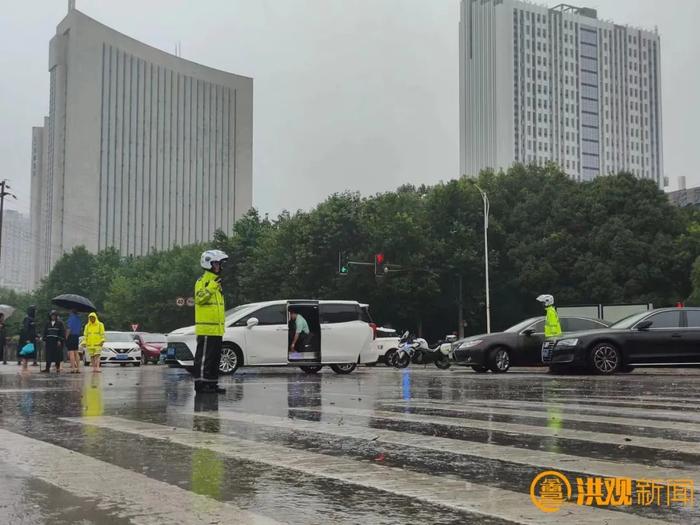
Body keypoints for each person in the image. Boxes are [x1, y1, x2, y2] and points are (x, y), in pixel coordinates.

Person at [193, 249, 229, 394]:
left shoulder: (216, 282)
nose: (220, 267)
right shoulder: (203, 281)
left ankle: (212, 384)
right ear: (209, 264)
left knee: (214, 359)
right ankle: (201, 384)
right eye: (217, 264)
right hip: (206, 329)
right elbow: (199, 298)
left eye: (220, 264)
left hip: (217, 329)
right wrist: (212, 286)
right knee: (204, 359)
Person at [66, 309, 83, 373]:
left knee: (71, 352)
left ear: (71, 311)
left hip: (71, 336)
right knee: (76, 352)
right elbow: (80, 328)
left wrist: (66, 337)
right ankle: (78, 368)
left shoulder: (71, 318)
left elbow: (69, 329)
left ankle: (73, 368)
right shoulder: (78, 319)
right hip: (77, 336)